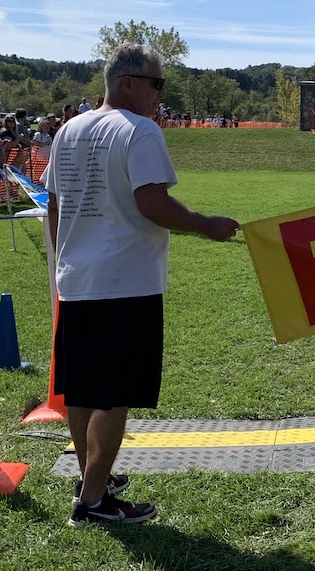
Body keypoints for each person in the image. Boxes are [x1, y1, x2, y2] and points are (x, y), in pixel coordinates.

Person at [43, 42, 240, 529]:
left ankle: (92, 478)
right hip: (125, 281)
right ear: (128, 82)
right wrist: (207, 224)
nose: (161, 94)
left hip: (76, 278)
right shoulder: (140, 130)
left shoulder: (69, 130)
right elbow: (152, 203)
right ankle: (93, 502)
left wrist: (68, 254)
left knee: (82, 391)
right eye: (157, 83)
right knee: (114, 394)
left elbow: (54, 205)